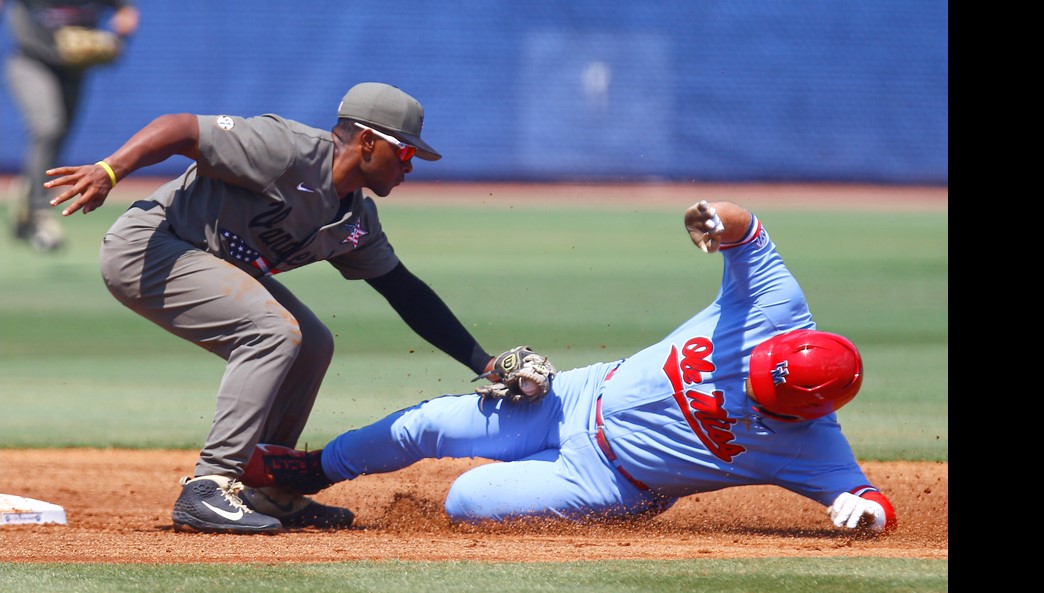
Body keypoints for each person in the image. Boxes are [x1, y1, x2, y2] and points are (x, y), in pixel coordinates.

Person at [239, 200, 899, 535]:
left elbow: (871, 502)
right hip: (580, 395)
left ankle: (594, 514)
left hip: (612, 482)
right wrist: (712, 217)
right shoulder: (775, 305)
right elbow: (747, 229)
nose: (749, 378)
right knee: (429, 424)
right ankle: (314, 469)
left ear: (808, 411)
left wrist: (864, 515)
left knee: (465, 500)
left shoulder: (812, 446)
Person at [43, 82, 510, 535]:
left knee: (312, 342)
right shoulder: (287, 150)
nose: (410, 167)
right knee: (272, 330)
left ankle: (267, 488)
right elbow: (180, 128)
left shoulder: (355, 220)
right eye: (406, 153)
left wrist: (485, 363)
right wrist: (109, 171)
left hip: (206, 259)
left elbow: (404, 292)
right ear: (368, 141)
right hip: (151, 246)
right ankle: (210, 483)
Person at [1, 0, 140, 252]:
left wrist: (124, 20)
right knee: (47, 126)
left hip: (72, 70)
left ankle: (28, 192)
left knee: (60, 133)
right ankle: (40, 214)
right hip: (30, 61)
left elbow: (125, 11)